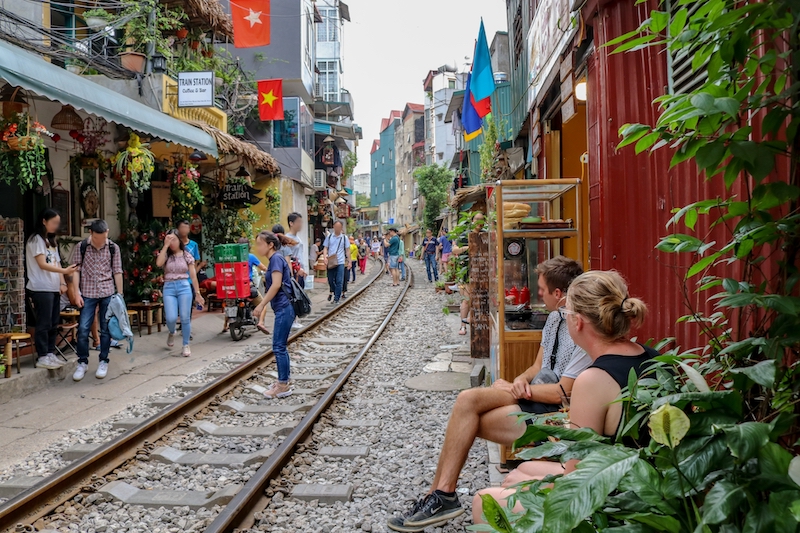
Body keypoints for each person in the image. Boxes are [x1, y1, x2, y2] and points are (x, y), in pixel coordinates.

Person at [387, 257, 589, 532]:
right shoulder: (554, 320)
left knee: (466, 417)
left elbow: (562, 393)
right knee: (466, 403)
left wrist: (519, 389)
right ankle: (437, 495)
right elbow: (536, 367)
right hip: (534, 397)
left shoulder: (582, 328)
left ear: (558, 294)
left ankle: (441, 496)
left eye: (541, 289)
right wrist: (519, 380)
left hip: (554, 412)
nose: (537, 294)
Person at [471, 270, 655, 524]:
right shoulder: (652, 356)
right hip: (648, 485)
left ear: (577, 322)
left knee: (484, 501)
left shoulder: (592, 380)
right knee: (521, 469)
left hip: (616, 502)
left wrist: (533, 484)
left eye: (566, 314)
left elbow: (576, 478)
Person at [69, 219, 123, 381]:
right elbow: (75, 270)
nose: (101, 242)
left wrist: (119, 295)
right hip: (87, 292)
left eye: (104, 238)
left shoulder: (113, 248)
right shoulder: (82, 247)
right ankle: (82, 362)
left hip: (107, 292)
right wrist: (76, 293)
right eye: (98, 239)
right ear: (91, 233)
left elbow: (117, 271)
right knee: (83, 329)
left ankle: (103, 360)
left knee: (106, 330)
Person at [25, 208, 78, 370]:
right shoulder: (35, 240)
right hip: (41, 288)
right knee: (44, 322)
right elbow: (42, 264)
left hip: (53, 288)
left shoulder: (51, 241)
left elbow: (57, 263)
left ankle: (50, 352)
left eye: (57, 223)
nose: (56, 225)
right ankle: (42, 355)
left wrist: (62, 283)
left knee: (54, 322)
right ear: (43, 221)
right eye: (53, 222)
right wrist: (64, 272)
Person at [252, 231, 295, 399]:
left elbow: (276, 285)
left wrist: (261, 304)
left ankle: (283, 385)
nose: (257, 248)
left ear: (270, 245)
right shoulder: (274, 260)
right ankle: (283, 381)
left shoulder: (276, 259)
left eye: (260, 244)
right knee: (280, 346)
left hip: (284, 307)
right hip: (283, 307)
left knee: (278, 346)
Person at [156, 230, 204, 356]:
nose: (172, 243)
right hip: (169, 287)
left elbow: (193, 276)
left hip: (184, 286)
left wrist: (198, 293)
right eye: (169, 240)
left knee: (185, 317)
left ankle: (185, 344)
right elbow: (158, 263)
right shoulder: (166, 255)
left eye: (174, 240)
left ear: (179, 241)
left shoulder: (186, 255)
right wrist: (165, 246)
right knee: (171, 317)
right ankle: (172, 332)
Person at [323, 221, 348, 304]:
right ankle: (334, 291)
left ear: (341, 228)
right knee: (330, 280)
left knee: (339, 280)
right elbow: (325, 248)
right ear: (333, 227)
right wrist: (325, 257)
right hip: (331, 261)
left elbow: (347, 250)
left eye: (339, 227)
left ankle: (336, 298)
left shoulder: (344, 238)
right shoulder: (329, 237)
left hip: (340, 261)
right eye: (336, 226)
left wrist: (350, 261)